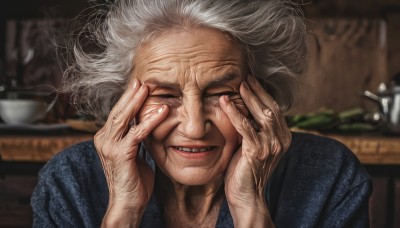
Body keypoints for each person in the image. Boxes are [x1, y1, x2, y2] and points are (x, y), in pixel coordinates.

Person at [31, 0, 372, 227]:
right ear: (123, 100)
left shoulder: (329, 178)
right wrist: (124, 213)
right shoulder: (70, 183)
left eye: (221, 93)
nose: (194, 127)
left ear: (262, 92)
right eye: (164, 94)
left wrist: (251, 209)